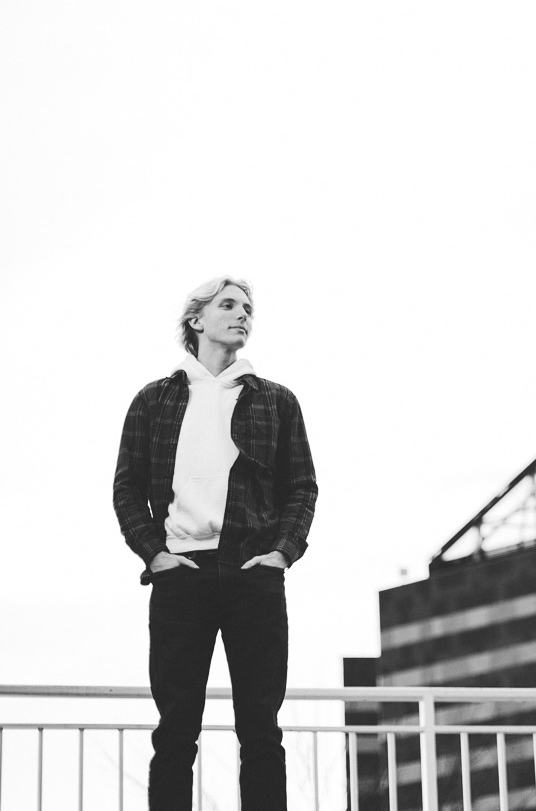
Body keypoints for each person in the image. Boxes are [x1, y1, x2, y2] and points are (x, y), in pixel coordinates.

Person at [113, 276, 317, 810]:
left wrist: (280, 554)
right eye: (228, 305)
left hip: (254, 574)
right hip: (182, 575)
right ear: (196, 320)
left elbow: (301, 487)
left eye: (248, 307)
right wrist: (156, 555)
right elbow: (127, 487)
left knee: (260, 729)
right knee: (177, 729)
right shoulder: (153, 400)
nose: (242, 314)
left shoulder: (276, 401)